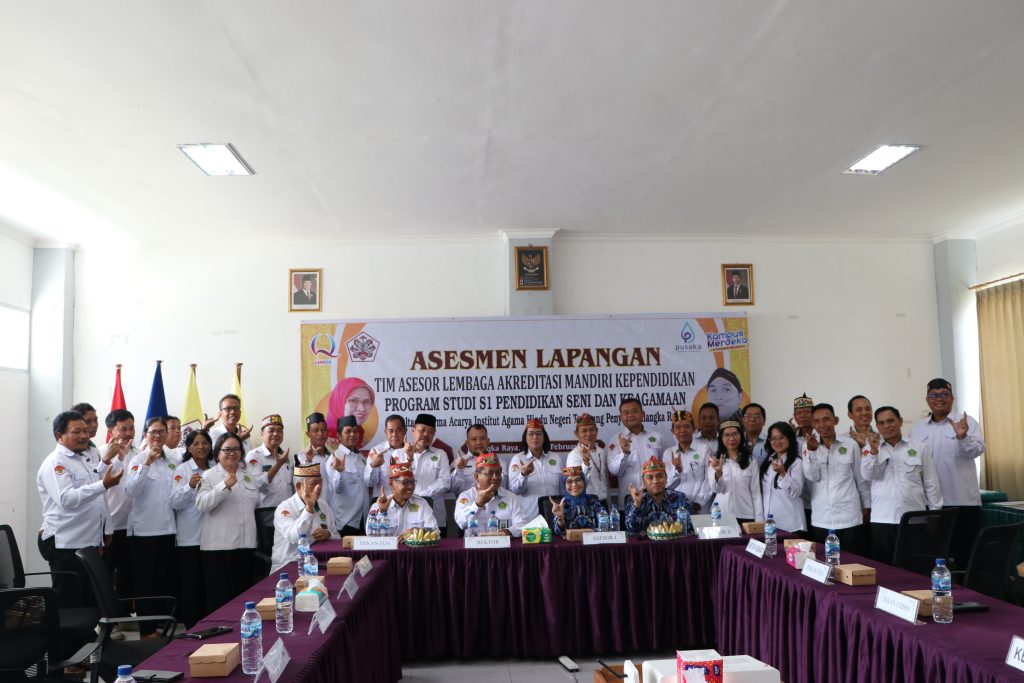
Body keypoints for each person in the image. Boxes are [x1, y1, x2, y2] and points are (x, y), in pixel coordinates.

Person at [36, 411, 121, 611]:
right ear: (59, 435)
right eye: (77, 432)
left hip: (86, 541)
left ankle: (89, 633)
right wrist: (103, 484)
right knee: (69, 605)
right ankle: (64, 634)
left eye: (85, 431)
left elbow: (96, 496)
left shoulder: (81, 457)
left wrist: (102, 533)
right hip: (65, 543)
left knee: (88, 602)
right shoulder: (56, 462)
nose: (84, 435)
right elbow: (67, 499)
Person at [909, 378, 986, 566]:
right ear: (927, 400)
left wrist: (962, 437)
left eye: (944, 394)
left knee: (965, 557)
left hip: (962, 502)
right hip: (929, 504)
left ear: (952, 398)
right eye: (934, 395)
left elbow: (976, 451)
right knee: (932, 556)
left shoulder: (966, 421)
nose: (939, 398)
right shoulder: (918, 428)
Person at [861, 406, 943, 564]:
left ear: (900, 421)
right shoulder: (869, 449)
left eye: (890, 421)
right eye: (881, 423)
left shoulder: (919, 448)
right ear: (877, 426)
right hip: (883, 519)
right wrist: (874, 452)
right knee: (886, 568)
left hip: (914, 518)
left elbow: (931, 482)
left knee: (915, 566)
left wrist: (935, 513)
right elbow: (867, 475)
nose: (887, 426)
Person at [123, 417, 178, 638]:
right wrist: (146, 463)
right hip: (144, 531)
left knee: (163, 581)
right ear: (145, 435)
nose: (157, 436)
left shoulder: (173, 460)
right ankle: (146, 630)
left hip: (168, 529)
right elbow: (131, 491)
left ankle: (159, 626)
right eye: (153, 432)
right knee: (145, 583)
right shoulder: (137, 459)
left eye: (162, 432)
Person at [196, 433, 260, 612]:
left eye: (236, 449)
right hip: (219, 548)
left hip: (246, 545)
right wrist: (223, 486)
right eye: (227, 449)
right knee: (221, 600)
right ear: (217, 453)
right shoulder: (209, 475)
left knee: (244, 600)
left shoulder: (247, 476)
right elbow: (201, 504)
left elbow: (256, 503)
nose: (232, 453)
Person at [803, 403, 870, 553]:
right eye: (817, 421)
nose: (822, 425)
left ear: (836, 420)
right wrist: (812, 453)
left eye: (826, 419)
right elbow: (812, 477)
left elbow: (860, 478)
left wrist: (866, 504)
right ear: (813, 424)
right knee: (825, 562)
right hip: (822, 517)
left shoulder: (851, 444)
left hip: (850, 515)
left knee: (852, 561)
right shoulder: (808, 446)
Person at [97, 408, 139, 615]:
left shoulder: (139, 454)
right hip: (109, 527)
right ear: (111, 431)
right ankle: (105, 617)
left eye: (131, 428)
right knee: (105, 573)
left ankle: (123, 615)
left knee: (127, 573)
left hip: (131, 525)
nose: (129, 433)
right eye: (123, 429)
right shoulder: (101, 454)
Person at [168, 429, 212, 628]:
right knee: (191, 585)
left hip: (212, 537)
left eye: (205, 443)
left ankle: (209, 623)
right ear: (188, 448)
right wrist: (189, 486)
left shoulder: (215, 468)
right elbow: (174, 502)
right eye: (196, 444)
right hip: (189, 538)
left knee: (208, 583)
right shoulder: (182, 470)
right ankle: (192, 626)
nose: (201, 447)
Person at [271, 463, 337, 574]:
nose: (319, 487)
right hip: (288, 566)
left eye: (320, 482)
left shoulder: (323, 506)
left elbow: (337, 536)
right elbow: (294, 537)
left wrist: (328, 534)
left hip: (317, 565)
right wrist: (309, 509)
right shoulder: (284, 509)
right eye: (313, 483)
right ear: (298, 486)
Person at [607, 398, 667, 510]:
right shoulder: (615, 440)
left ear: (643, 414)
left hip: (656, 500)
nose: (630, 415)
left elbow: (666, 469)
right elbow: (614, 471)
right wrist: (624, 453)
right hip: (628, 500)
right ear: (621, 417)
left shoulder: (657, 438)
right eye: (626, 412)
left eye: (634, 411)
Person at [454, 453, 529, 537]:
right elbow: (462, 523)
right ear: (477, 476)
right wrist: (479, 503)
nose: (495, 477)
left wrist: (509, 531)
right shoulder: (466, 497)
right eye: (490, 473)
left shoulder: (511, 498)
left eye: (498, 473)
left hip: (503, 544)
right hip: (474, 544)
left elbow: (522, 525)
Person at [509, 419, 566, 521]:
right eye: (531, 434)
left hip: (554, 515)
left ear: (544, 437)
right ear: (525, 437)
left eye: (538, 434)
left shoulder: (556, 458)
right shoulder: (518, 459)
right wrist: (523, 474)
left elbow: (563, 489)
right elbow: (515, 491)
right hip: (528, 517)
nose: (535, 437)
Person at [707, 420, 763, 523]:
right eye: (727, 435)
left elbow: (756, 493)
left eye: (735, 434)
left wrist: (759, 520)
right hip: (721, 514)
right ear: (721, 438)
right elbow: (717, 490)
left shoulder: (750, 460)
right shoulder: (715, 460)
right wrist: (718, 472)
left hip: (746, 514)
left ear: (741, 436)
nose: (731, 438)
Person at [322, 415, 369, 537]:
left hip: (362, 520)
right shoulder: (334, 458)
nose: (352, 434)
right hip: (344, 522)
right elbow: (335, 489)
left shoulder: (361, 458)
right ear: (339, 436)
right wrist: (340, 472)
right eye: (348, 431)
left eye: (355, 431)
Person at [624, 458, 693, 534]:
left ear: (666, 478)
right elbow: (631, 528)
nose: (655, 481)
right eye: (650, 478)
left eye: (660, 476)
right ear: (643, 482)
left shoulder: (680, 498)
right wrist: (637, 504)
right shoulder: (634, 500)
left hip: (673, 541)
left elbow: (689, 526)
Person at [759, 422, 806, 533]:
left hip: (790, 524)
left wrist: (783, 474)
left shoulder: (796, 462)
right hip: (769, 523)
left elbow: (796, 492)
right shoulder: (768, 462)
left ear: (789, 438)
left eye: (781, 438)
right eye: (773, 439)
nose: (777, 442)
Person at [367, 462, 439, 535]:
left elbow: (435, 531)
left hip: (414, 543)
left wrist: (417, 531)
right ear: (391, 483)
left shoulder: (422, 504)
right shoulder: (377, 506)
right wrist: (382, 512)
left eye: (412, 482)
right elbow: (370, 535)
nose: (410, 486)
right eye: (405, 482)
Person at [664, 410, 712, 513]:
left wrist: (699, 503)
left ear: (694, 429)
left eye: (686, 426)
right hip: (676, 509)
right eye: (678, 427)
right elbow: (665, 484)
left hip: (699, 509)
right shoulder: (668, 453)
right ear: (672, 431)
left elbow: (709, 479)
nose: (682, 430)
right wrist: (676, 471)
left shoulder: (704, 449)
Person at [246, 414, 293, 509]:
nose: (276, 434)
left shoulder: (287, 456)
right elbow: (255, 485)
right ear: (262, 434)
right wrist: (278, 465)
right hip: (266, 512)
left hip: (288, 511)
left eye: (279, 431)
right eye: (271, 430)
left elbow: (292, 485)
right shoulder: (254, 456)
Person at [564, 413, 609, 504]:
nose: (588, 434)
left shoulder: (602, 451)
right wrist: (585, 462)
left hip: (605, 502)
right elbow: (576, 484)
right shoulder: (573, 455)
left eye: (591, 430)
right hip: (586, 503)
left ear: (597, 431)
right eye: (584, 431)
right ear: (576, 434)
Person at [550, 466, 606, 534]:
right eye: (569, 481)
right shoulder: (562, 505)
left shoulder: (593, 502)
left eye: (578, 480)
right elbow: (558, 532)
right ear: (564, 485)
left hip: (593, 540)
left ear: (584, 482)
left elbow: (605, 525)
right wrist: (560, 518)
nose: (574, 485)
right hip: (570, 540)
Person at [327, 377, 377, 449]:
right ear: (338, 402)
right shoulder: (323, 442)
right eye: (353, 400)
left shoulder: (362, 438)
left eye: (366, 401)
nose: (362, 408)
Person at [364, 414, 408, 497]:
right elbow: (369, 483)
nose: (394, 434)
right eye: (391, 431)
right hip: (384, 501)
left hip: (407, 502)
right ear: (385, 432)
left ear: (405, 431)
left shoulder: (411, 451)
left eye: (398, 430)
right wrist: (373, 466)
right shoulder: (376, 451)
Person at [450, 423, 491, 497]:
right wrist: (459, 470)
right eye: (474, 439)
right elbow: (453, 489)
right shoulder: (458, 463)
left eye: (482, 438)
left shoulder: (500, 463)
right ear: (467, 443)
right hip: (467, 503)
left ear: (488, 441)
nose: (478, 442)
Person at [70, 401, 102, 468]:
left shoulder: (93, 448)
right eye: (88, 421)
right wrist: (106, 459)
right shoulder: (71, 451)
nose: (94, 425)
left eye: (95, 420)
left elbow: (98, 472)